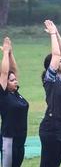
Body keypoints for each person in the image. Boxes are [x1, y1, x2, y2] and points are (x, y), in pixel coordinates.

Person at [39, 20, 61, 167]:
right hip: (51, 128)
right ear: (52, 66)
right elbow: (57, 54)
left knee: (56, 164)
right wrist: (52, 34)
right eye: (60, 62)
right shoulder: (50, 79)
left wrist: (57, 33)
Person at [0, 37, 29, 167]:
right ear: (6, 83)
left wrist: (11, 53)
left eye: (15, 80)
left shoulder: (16, 94)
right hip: (9, 139)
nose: (15, 81)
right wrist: (5, 52)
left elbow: (13, 70)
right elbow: (5, 72)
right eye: (12, 80)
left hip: (20, 139)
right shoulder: (4, 94)